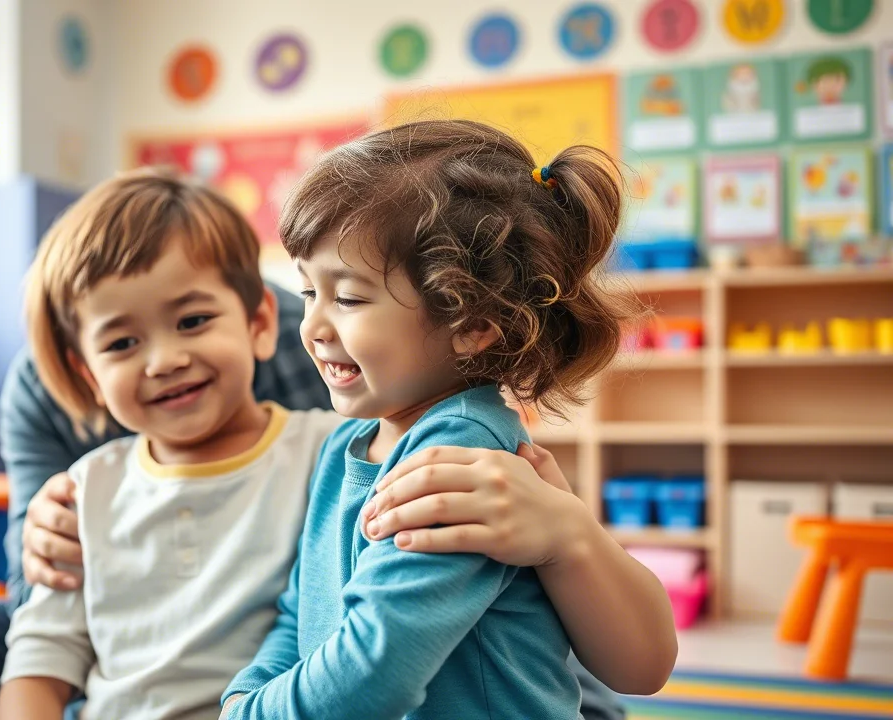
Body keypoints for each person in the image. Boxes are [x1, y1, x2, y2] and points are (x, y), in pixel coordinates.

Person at [0, 168, 671, 720]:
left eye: (192, 320)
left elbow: (383, 659)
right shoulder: (103, 470)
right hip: (238, 695)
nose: (167, 358)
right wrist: (43, 540)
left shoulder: (344, 436)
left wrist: (568, 533)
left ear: (260, 320)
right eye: (119, 342)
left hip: (321, 695)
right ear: (78, 363)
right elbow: (50, 622)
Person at [218, 120, 672, 719]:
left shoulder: (459, 456)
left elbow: (373, 674)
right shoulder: (345, 448)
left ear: (471, 324)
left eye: (348, 298)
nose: (314, 329)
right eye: (307, 293)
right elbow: (300, 616)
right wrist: (243, 699)